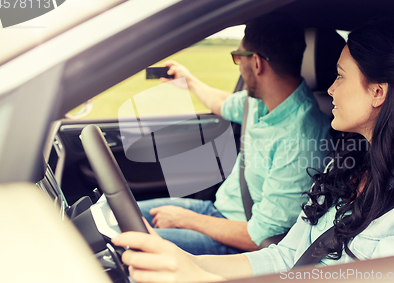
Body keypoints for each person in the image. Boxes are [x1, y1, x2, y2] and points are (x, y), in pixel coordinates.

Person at [115, 19, 394, 282]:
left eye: (339, 76)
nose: (330, 89)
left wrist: (200, 276)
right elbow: (284, 256)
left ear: (377, 92)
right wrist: (187, 262)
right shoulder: (351, 168)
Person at [136, 14, 332, 255]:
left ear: (257, 63)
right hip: (219, 212)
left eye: (238, 56)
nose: (238, 63)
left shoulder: (302, 138)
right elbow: (223, 103)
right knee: (121, 215)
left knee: (131, 245)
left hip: (241, 240)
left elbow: (261, 236)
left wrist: (185, 219)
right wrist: (188, 80)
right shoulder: (260, 102)